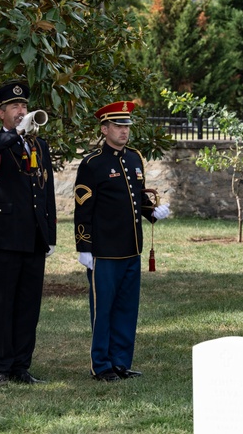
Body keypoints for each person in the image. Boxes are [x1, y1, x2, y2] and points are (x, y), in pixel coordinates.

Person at [73, 101, 170, 381]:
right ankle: (101, 365)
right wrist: (84, 247)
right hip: (104, 251)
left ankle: (120, 362)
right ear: (104, 129)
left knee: (127, 309)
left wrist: (153, 212)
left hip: (131, 248)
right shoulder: (92, 164)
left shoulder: (134, 158)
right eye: (118, 126)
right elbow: (83, 208)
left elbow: (138, 198)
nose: (124, 131)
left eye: (126, 126)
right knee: (102, 311)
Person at [0, 81, 57, 384]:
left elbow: (45, 192)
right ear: (1, 114)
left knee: (28, 305)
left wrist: (50, 235)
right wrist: (15, 134)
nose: (22, 110)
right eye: (14, 107)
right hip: (4, 237)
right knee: (3, 303)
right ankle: (0, 367)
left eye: (24, 106)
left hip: (34, 236)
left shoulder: (39, 146)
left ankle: (22, 365)